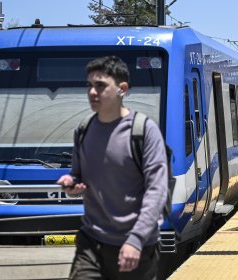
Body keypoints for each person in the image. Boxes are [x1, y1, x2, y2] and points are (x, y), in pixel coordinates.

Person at [57, 56, 168, 279]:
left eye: (100, 85)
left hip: (137, 245)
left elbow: (157, 191)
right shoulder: (84, 129)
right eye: (89, 85)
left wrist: (136, 240)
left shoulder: (144, 131)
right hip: (91, 241)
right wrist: (71, 184)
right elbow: (78, 174)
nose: (92, 92)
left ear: (122, 89)